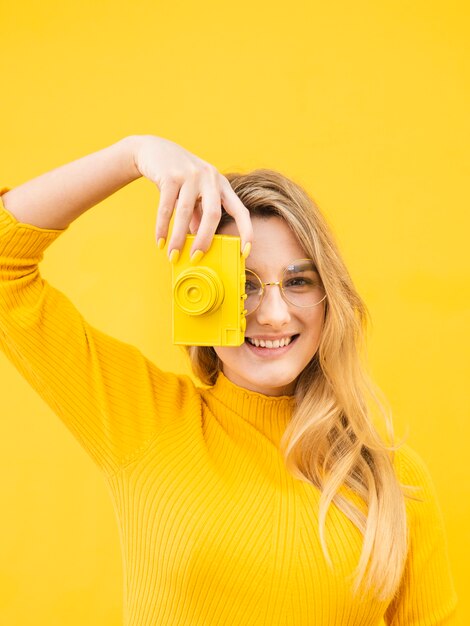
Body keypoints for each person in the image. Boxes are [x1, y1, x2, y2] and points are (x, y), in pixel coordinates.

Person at [0, 135, 457, 625]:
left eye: (299, 281)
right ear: (198, 295)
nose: (275, 315)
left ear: (332, 300)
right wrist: (134, 153)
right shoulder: (147, 420)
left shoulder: (392, 479)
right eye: (243, 283)